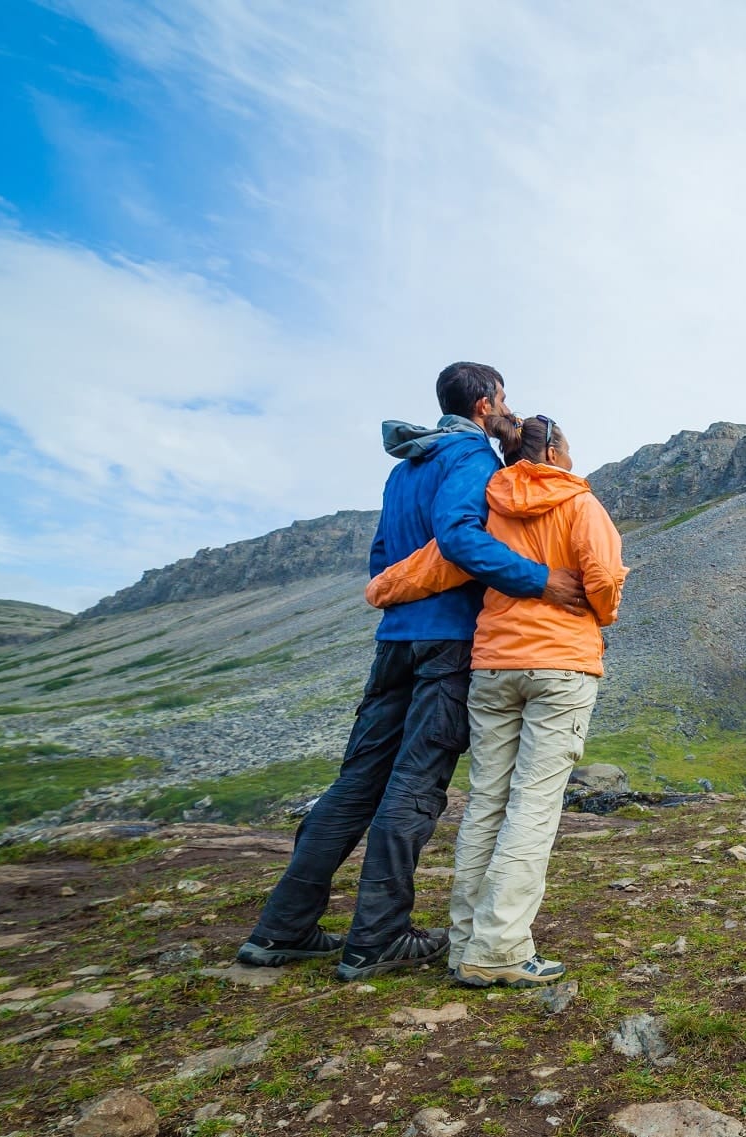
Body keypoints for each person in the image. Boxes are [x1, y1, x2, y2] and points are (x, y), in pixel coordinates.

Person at [236, 363, 590, 982]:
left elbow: (382, 559)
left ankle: (282, 929)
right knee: (416, 786)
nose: (509, 407)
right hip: (448, 640)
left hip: (395, 638)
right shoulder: (471, 459)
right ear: (484, 403)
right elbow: (459, 539)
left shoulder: (404, 468)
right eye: (504, 398)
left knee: (356, 782)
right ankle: (376, 938)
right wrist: (542, 582)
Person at [365, 413, 627, 988]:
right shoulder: (582, 504)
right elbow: (603, 578)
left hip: (492, 668)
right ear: (557, 450)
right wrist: (600, 612)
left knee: (487, 801)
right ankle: (502, 948)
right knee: (533, 806)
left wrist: (379, 588)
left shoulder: (489, 506)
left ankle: (465, 943)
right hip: (561, 667)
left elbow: (436, 563)